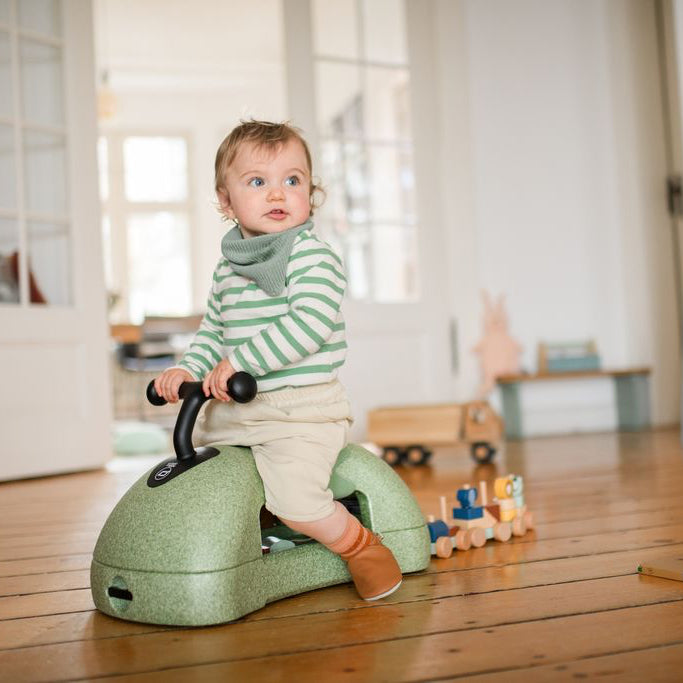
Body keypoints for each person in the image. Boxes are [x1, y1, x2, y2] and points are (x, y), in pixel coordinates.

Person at [153, 120, 402, 601]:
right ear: (226, 202)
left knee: (297, 501)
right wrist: (190, 369)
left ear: (312, 192)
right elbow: (214, 331)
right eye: (257, 182)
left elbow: (309, 323)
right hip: (237, 413)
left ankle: (362, 550)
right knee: (211, 480)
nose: (278, 194)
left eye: (293, 180)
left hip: (300, 413)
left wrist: (242, 361)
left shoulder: (313, 258)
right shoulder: (230, 268)